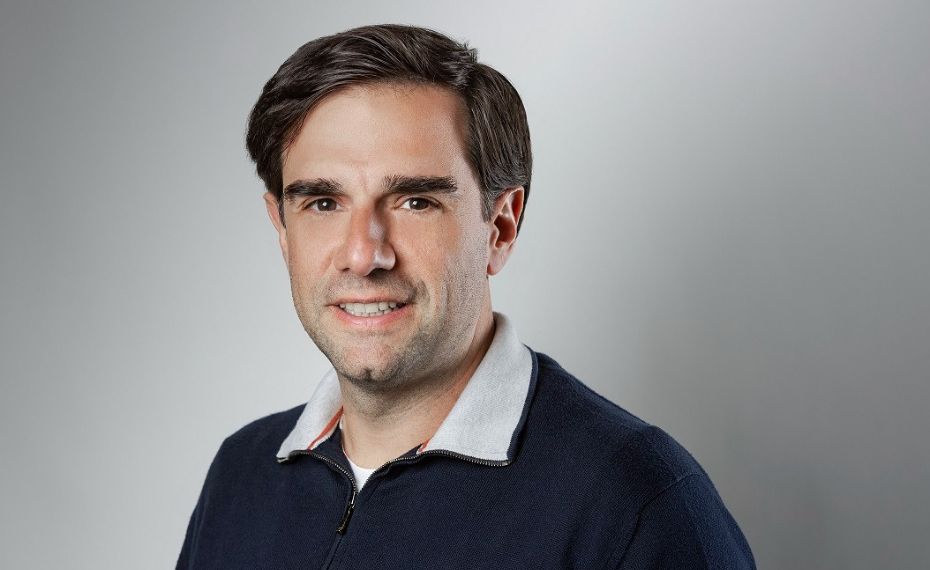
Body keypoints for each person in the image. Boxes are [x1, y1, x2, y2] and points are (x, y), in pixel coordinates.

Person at [177, 24, 756, 569]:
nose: (364, 254)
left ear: (500, 227)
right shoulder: (241, 476)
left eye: (416, 202)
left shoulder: (636, 501)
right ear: (282, 230)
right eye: (323, 203)